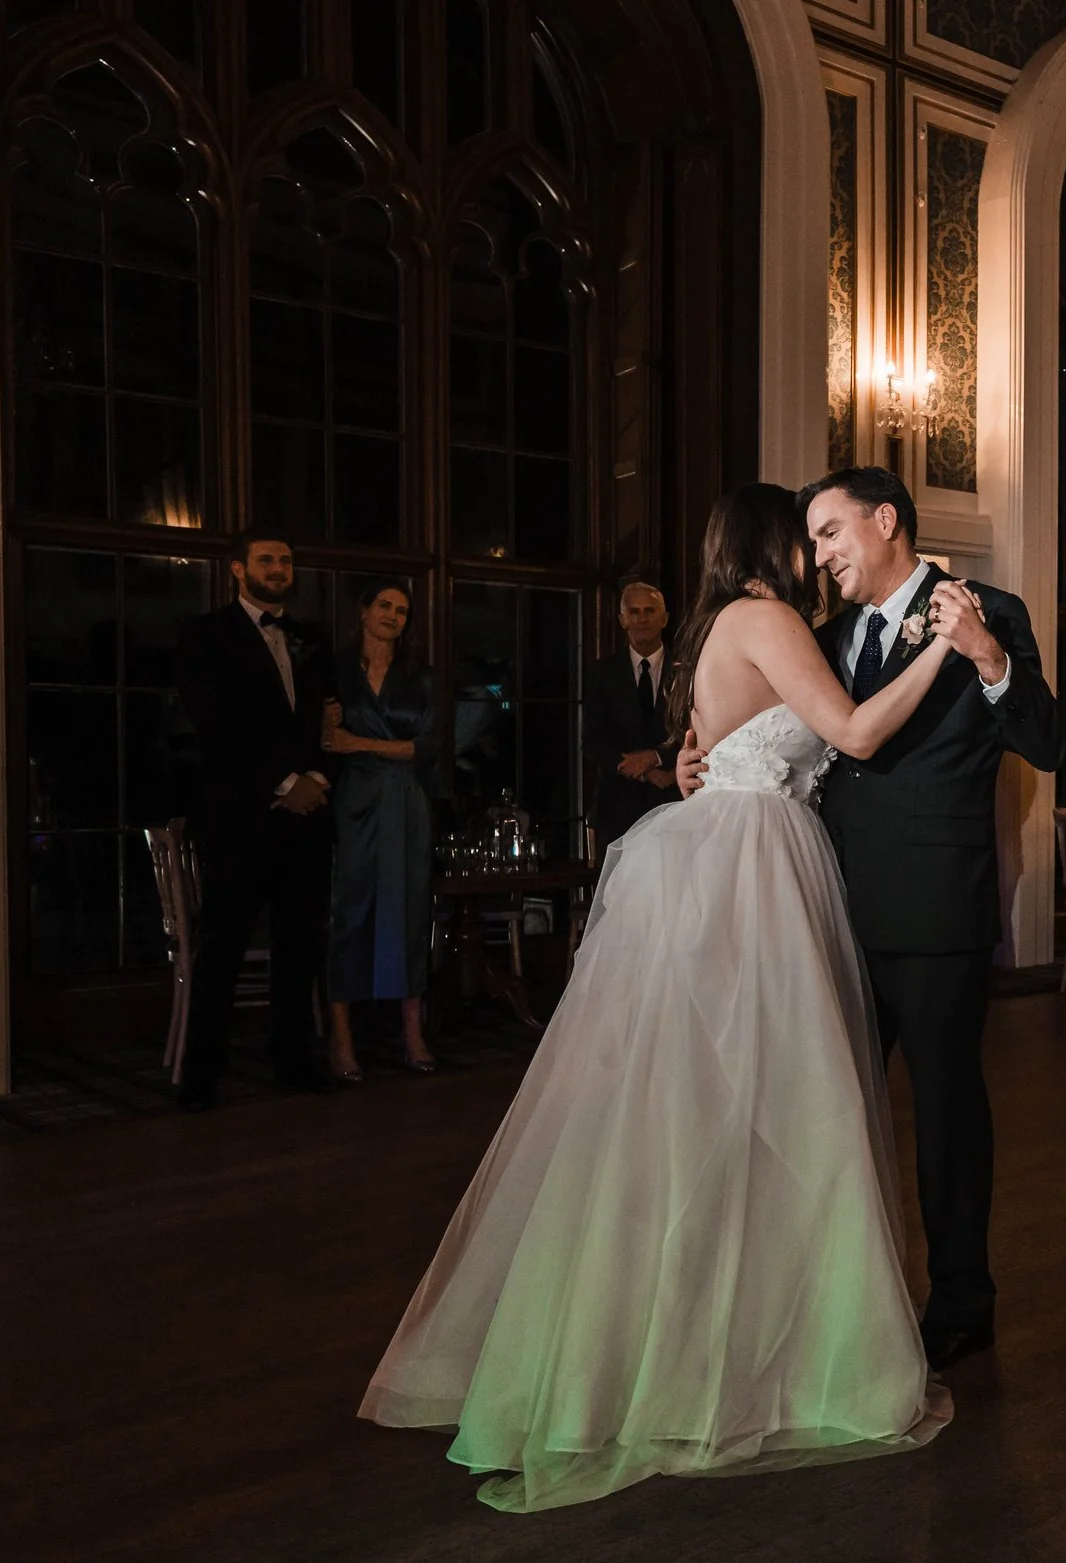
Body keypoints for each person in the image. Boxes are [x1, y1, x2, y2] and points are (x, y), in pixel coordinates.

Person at [362, 484, 959, 1511]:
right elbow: (855, 734)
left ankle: (686, 1341)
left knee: (705, 1114)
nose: (816, 555)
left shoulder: (714, 626)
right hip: (753, 871)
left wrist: (693, 765)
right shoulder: (766, 617)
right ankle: (760, 1357)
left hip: (722, 856)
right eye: (806, 537)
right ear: (773, 545)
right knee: (777, 1111)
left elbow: (709, 752)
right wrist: (946, 644)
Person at [684, 465, 1059, 1373]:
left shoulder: (988, 609)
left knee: (944, 1109)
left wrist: (989, 657)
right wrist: (701, 762)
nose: (819, 557)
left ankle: (961, 1300)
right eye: (812, 540)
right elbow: (782, 734)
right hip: (823, 905)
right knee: (821, 1109)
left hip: (934, 908)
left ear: (885, 520)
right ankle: (826, 1299)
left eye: (830, 534)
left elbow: (1047, 743)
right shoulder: (824, 633)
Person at [171, 531, 337, 1109]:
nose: (278, 568)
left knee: (300, 944)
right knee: (223, 946)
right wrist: (285, 783)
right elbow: (216, 724)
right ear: (238, 569)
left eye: (286, 560)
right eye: (266, 559)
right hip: (240, 817)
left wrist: (318, 779)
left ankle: (294, 1062)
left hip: (307, 820)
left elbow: (330, 721)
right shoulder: (205, 635)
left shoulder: (311, 638)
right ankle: (201, 1076)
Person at [321, 581, 441, 1082]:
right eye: (385, 606)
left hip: (407, 802)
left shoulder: (421, 676)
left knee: (409, 911)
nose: (393, 616)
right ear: (364, 609)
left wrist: (358, 742)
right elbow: (321, 740)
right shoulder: (334, 670)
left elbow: (429, 748)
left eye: (402, 611)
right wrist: (333, 736)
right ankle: (341, 1038)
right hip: (352, 801)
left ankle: (413, 1032)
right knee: (348, 911)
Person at [583, 580, 678, 850]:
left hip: (674, 804)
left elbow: (700, 729)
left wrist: (658, 758)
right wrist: (646, 772)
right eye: (634, 612)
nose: (642, 619)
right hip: (617, 809)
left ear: (664, 618)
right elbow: (591, 742)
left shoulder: (686, 670)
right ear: (623, 620)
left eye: (650, 610)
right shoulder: (603, 672)